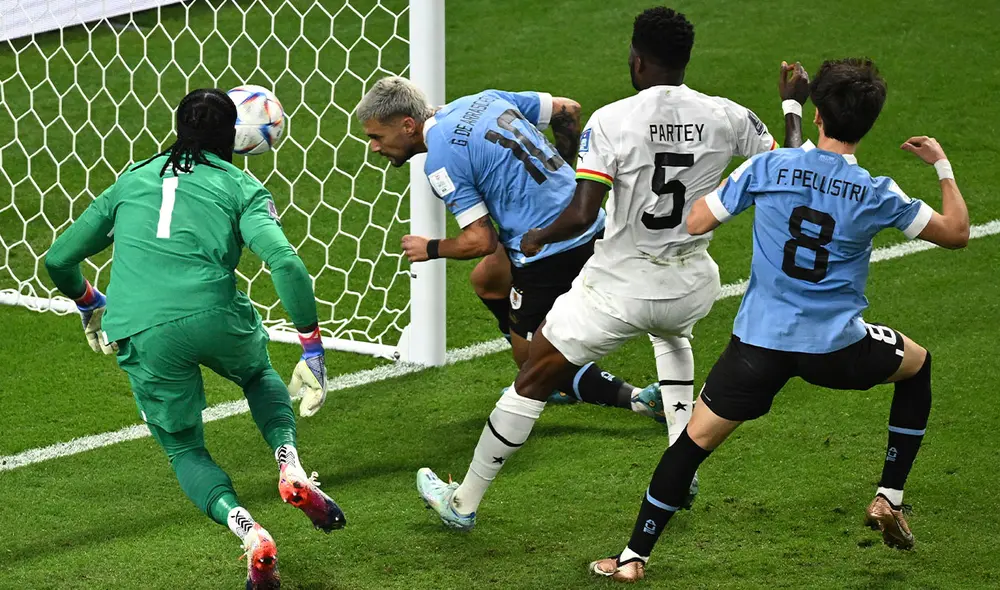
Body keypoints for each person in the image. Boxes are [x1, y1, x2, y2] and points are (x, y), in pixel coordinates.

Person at [413, 6, 806, 532]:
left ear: (638, 61)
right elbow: (794, 167)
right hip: (691, 283)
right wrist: (790, 104)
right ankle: (679, 465)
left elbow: (581, 212)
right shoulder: (729, 115)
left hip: (618, 288)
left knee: (531, 379)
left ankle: (461, 503)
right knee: (672, 336)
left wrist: (539, 236)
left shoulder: (613, 119)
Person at [590, 57, 969, 582]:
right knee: (918, 365)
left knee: (690, 447)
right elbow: (956, 233)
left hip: (757, 349)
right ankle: (889, 497)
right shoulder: (878, 192)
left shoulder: (766, 169)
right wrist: (942, 166)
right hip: (837, 348)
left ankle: (632, 559)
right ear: (870, 122)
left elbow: (698, 217)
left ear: (818, 116)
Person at [44, 88, 347, 589]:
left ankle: (250, 533)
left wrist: (91, 303)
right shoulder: (241, 186)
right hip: (214, 313)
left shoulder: (130, 181)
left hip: (139, 326)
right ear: (234, 137)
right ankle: (289, 465)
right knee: (255, 374)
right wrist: (312, 349)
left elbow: (58, 260)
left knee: (184, 449)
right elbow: (286, 263)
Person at [357, 79, 666, 422]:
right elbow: (568, 110)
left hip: (548, 251)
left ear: (408, 125)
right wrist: (566, 175)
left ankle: (640, 399)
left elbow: (480, 241)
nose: (374, 146)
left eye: (377, 137)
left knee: (532, 365)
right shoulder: (481, 99)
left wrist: (430, 248)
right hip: (585, 220)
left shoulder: (441, 161)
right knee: (488, 280)